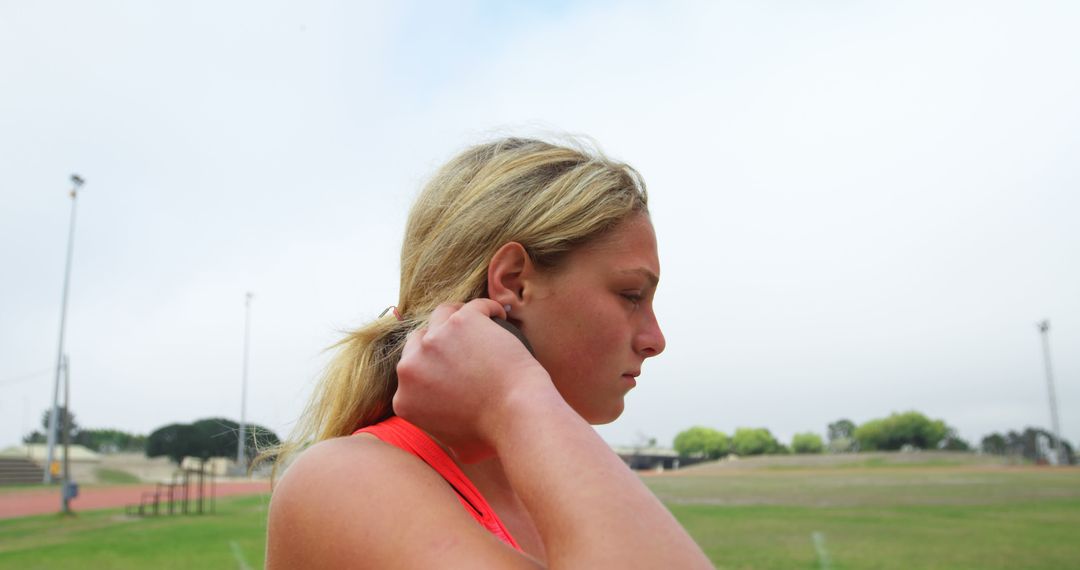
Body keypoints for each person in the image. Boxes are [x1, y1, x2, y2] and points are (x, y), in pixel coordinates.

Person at [265, 137, 712, 569]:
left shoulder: (543, 487)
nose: (656, 339)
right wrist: (516, 394)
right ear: (514, 282)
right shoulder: (343, 484)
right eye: (631, 294)